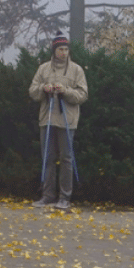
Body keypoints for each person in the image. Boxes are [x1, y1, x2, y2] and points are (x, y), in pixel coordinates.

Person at [29, 35, 89, 211]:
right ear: (54, 50)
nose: (63, 52)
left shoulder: (77, 70)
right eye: (60, 49)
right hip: (46, 119)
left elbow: (83, 95)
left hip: (67, 120)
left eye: (66, 49)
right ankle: (47, 196)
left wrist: (66, 91)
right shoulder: (43, 69)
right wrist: (43, 88)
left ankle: (65, 197)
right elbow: (32, 91)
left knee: (66, 159)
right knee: (47, 157)